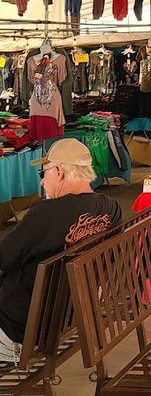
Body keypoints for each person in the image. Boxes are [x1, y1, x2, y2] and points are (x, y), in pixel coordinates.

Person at [0, 139, 121, 363]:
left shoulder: (46, 213)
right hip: (66, 319)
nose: (43, 183)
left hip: (20, 332)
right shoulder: (110, 208)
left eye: (43, 173)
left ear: (59, 171)